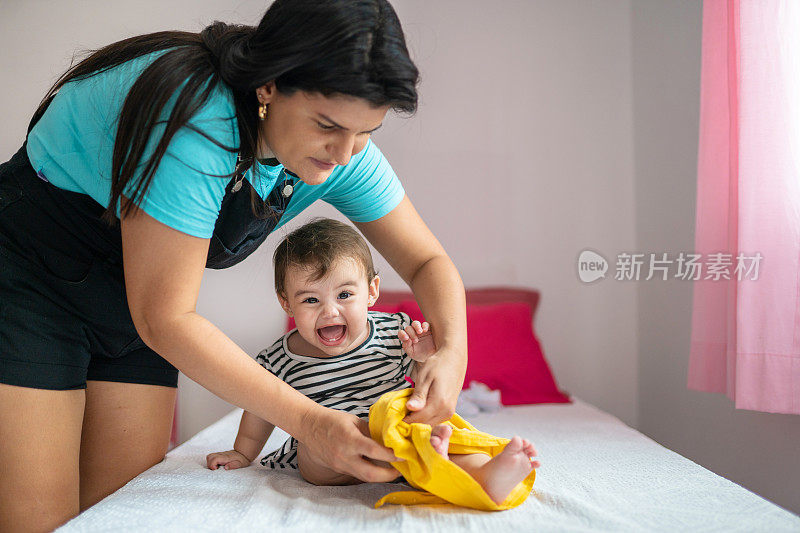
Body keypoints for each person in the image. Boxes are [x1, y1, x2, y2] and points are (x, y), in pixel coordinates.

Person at [0, 1, 468, 530]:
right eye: (328, 126)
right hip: (26, 274)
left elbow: (428, 260)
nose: (344, 153)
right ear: (267, 85)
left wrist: (453, 353)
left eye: (367, 132)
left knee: (119, 513)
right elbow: (166, 318)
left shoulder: (342, 154)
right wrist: (311, 423)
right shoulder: (198, 117)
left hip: (131, 291)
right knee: (37, 521)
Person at [206, 219, 540, 505]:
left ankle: (485, 474)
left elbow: (425, 388)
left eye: (344, 295)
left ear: (372, 291)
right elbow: (259, 407)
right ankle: (427, 464)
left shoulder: (394, 332)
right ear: (286, 304)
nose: (329, 311)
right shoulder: (278, 358)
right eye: (310, 299)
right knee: (312, 451)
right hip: (327, 457)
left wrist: (423, 358)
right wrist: (244, 452)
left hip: (395, 435)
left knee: (444, 434)